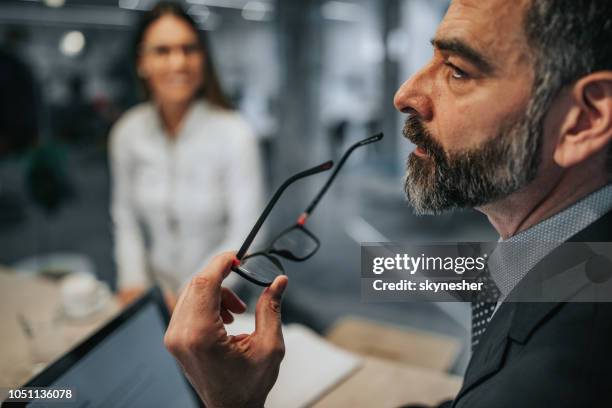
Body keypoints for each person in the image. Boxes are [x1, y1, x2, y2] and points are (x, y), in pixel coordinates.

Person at [164, 0, 612, 406]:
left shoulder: (556, 375)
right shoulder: (582, 259)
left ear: (584, 121)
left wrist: (233, 401)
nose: (405, 94)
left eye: (457, 70)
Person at [109, 2, 264, 301]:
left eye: (189, 49)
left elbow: (249, 234)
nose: (178, 63)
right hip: (153, 298)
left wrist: (191, 296)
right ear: (142, 61)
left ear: (203, 58)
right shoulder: (127, 133)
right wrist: (133, 283)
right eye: (162, 51)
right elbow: (125, 219)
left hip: (219, 300)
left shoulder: (236, 133)